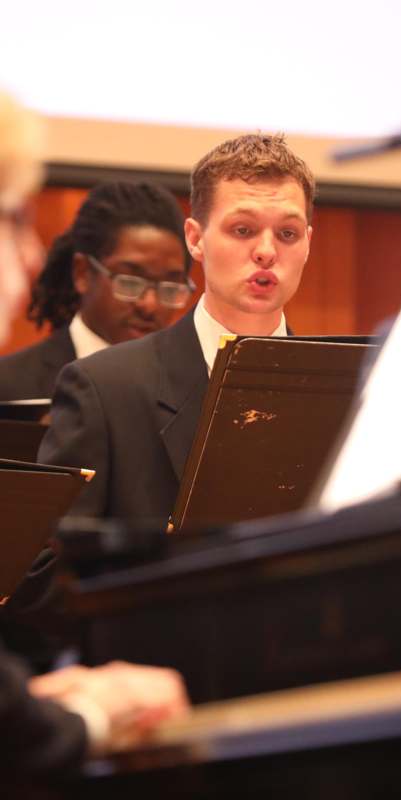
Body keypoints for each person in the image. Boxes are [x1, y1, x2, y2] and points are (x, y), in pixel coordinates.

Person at [0, 90, 189, 779]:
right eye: (11, 221)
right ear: (83, 273)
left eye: (173, 287)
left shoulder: (189, 384)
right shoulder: (17, 381)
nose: (23, 256)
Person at [38, 133, 315, 521]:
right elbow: (53, 565)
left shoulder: (353, 391)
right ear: (195, 239)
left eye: (287, 233)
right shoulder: (103, 389)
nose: (267, 251)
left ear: (307, 243)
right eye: (243, 230)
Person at [0, 180, 193, 400]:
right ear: (82, 273)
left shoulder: (191, 392)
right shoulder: (10, 386)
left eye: (169, 288)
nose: (149, 304)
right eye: (130, 283)